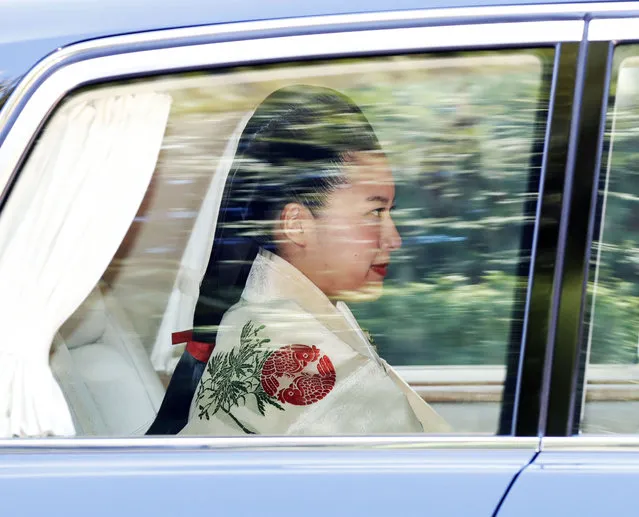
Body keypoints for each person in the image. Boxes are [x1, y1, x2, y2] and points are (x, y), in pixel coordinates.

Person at [151, 84, 449, 436]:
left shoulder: (276, 318)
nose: (394, 239)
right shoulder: (306, 360)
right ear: (296, 225)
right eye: (375, 212)